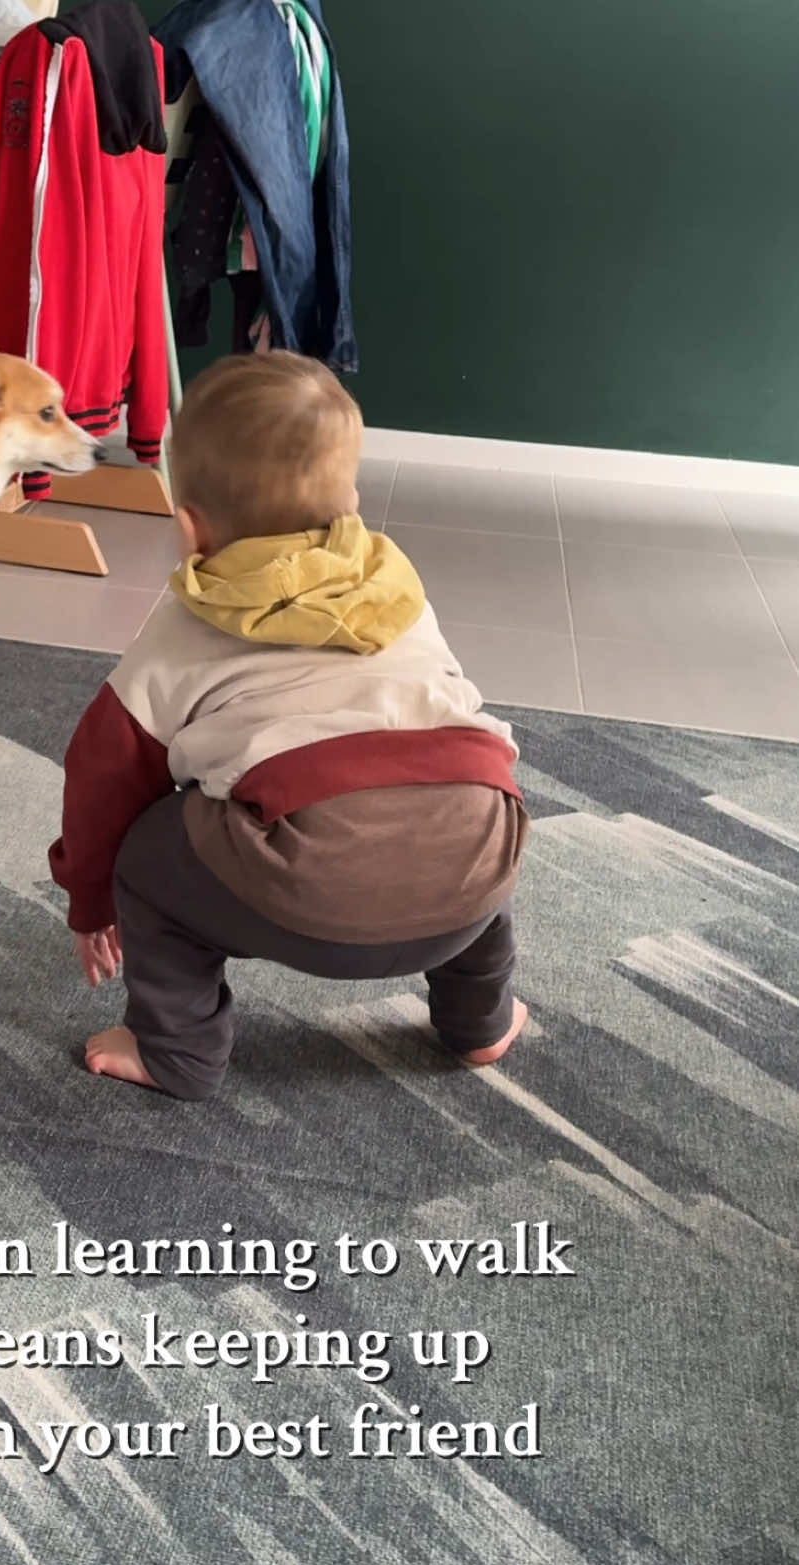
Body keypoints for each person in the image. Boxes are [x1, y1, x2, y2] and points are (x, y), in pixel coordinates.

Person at [48, 352, 528, 1100]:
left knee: (145, 854)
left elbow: (104, 770)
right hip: (476, 867)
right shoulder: (397, 588)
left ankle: (176, 1048)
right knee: (458, 797)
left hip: (310, 895)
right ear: (353, 503)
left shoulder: (186, 623)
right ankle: (480, 1021)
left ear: (190, 528)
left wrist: (91, 897)